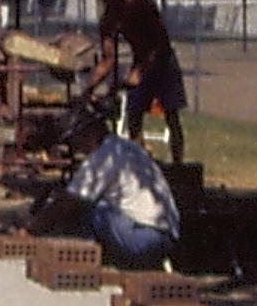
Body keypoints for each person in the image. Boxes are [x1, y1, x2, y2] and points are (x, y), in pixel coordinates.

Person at [35, 108, 180, 267]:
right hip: (168, 237)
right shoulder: (127, 147)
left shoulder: (103, 158)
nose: (76, 147)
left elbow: (67, 202)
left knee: (93, 210)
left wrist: (32, 229)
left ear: (89, 134)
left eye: (75, 140)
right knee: (99, 204)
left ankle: (85, 260)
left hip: (143, 239)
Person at [87, 0, 187, 163]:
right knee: (134, 115)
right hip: (141, 62)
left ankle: (178, 166)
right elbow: (108, 59)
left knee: (172, 116)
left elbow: (160, 42)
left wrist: (139, 70)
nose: (106, 3)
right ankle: (140, 163)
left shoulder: (141, 3)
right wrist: (89, 87)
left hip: (164, 62)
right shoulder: (109, 18)